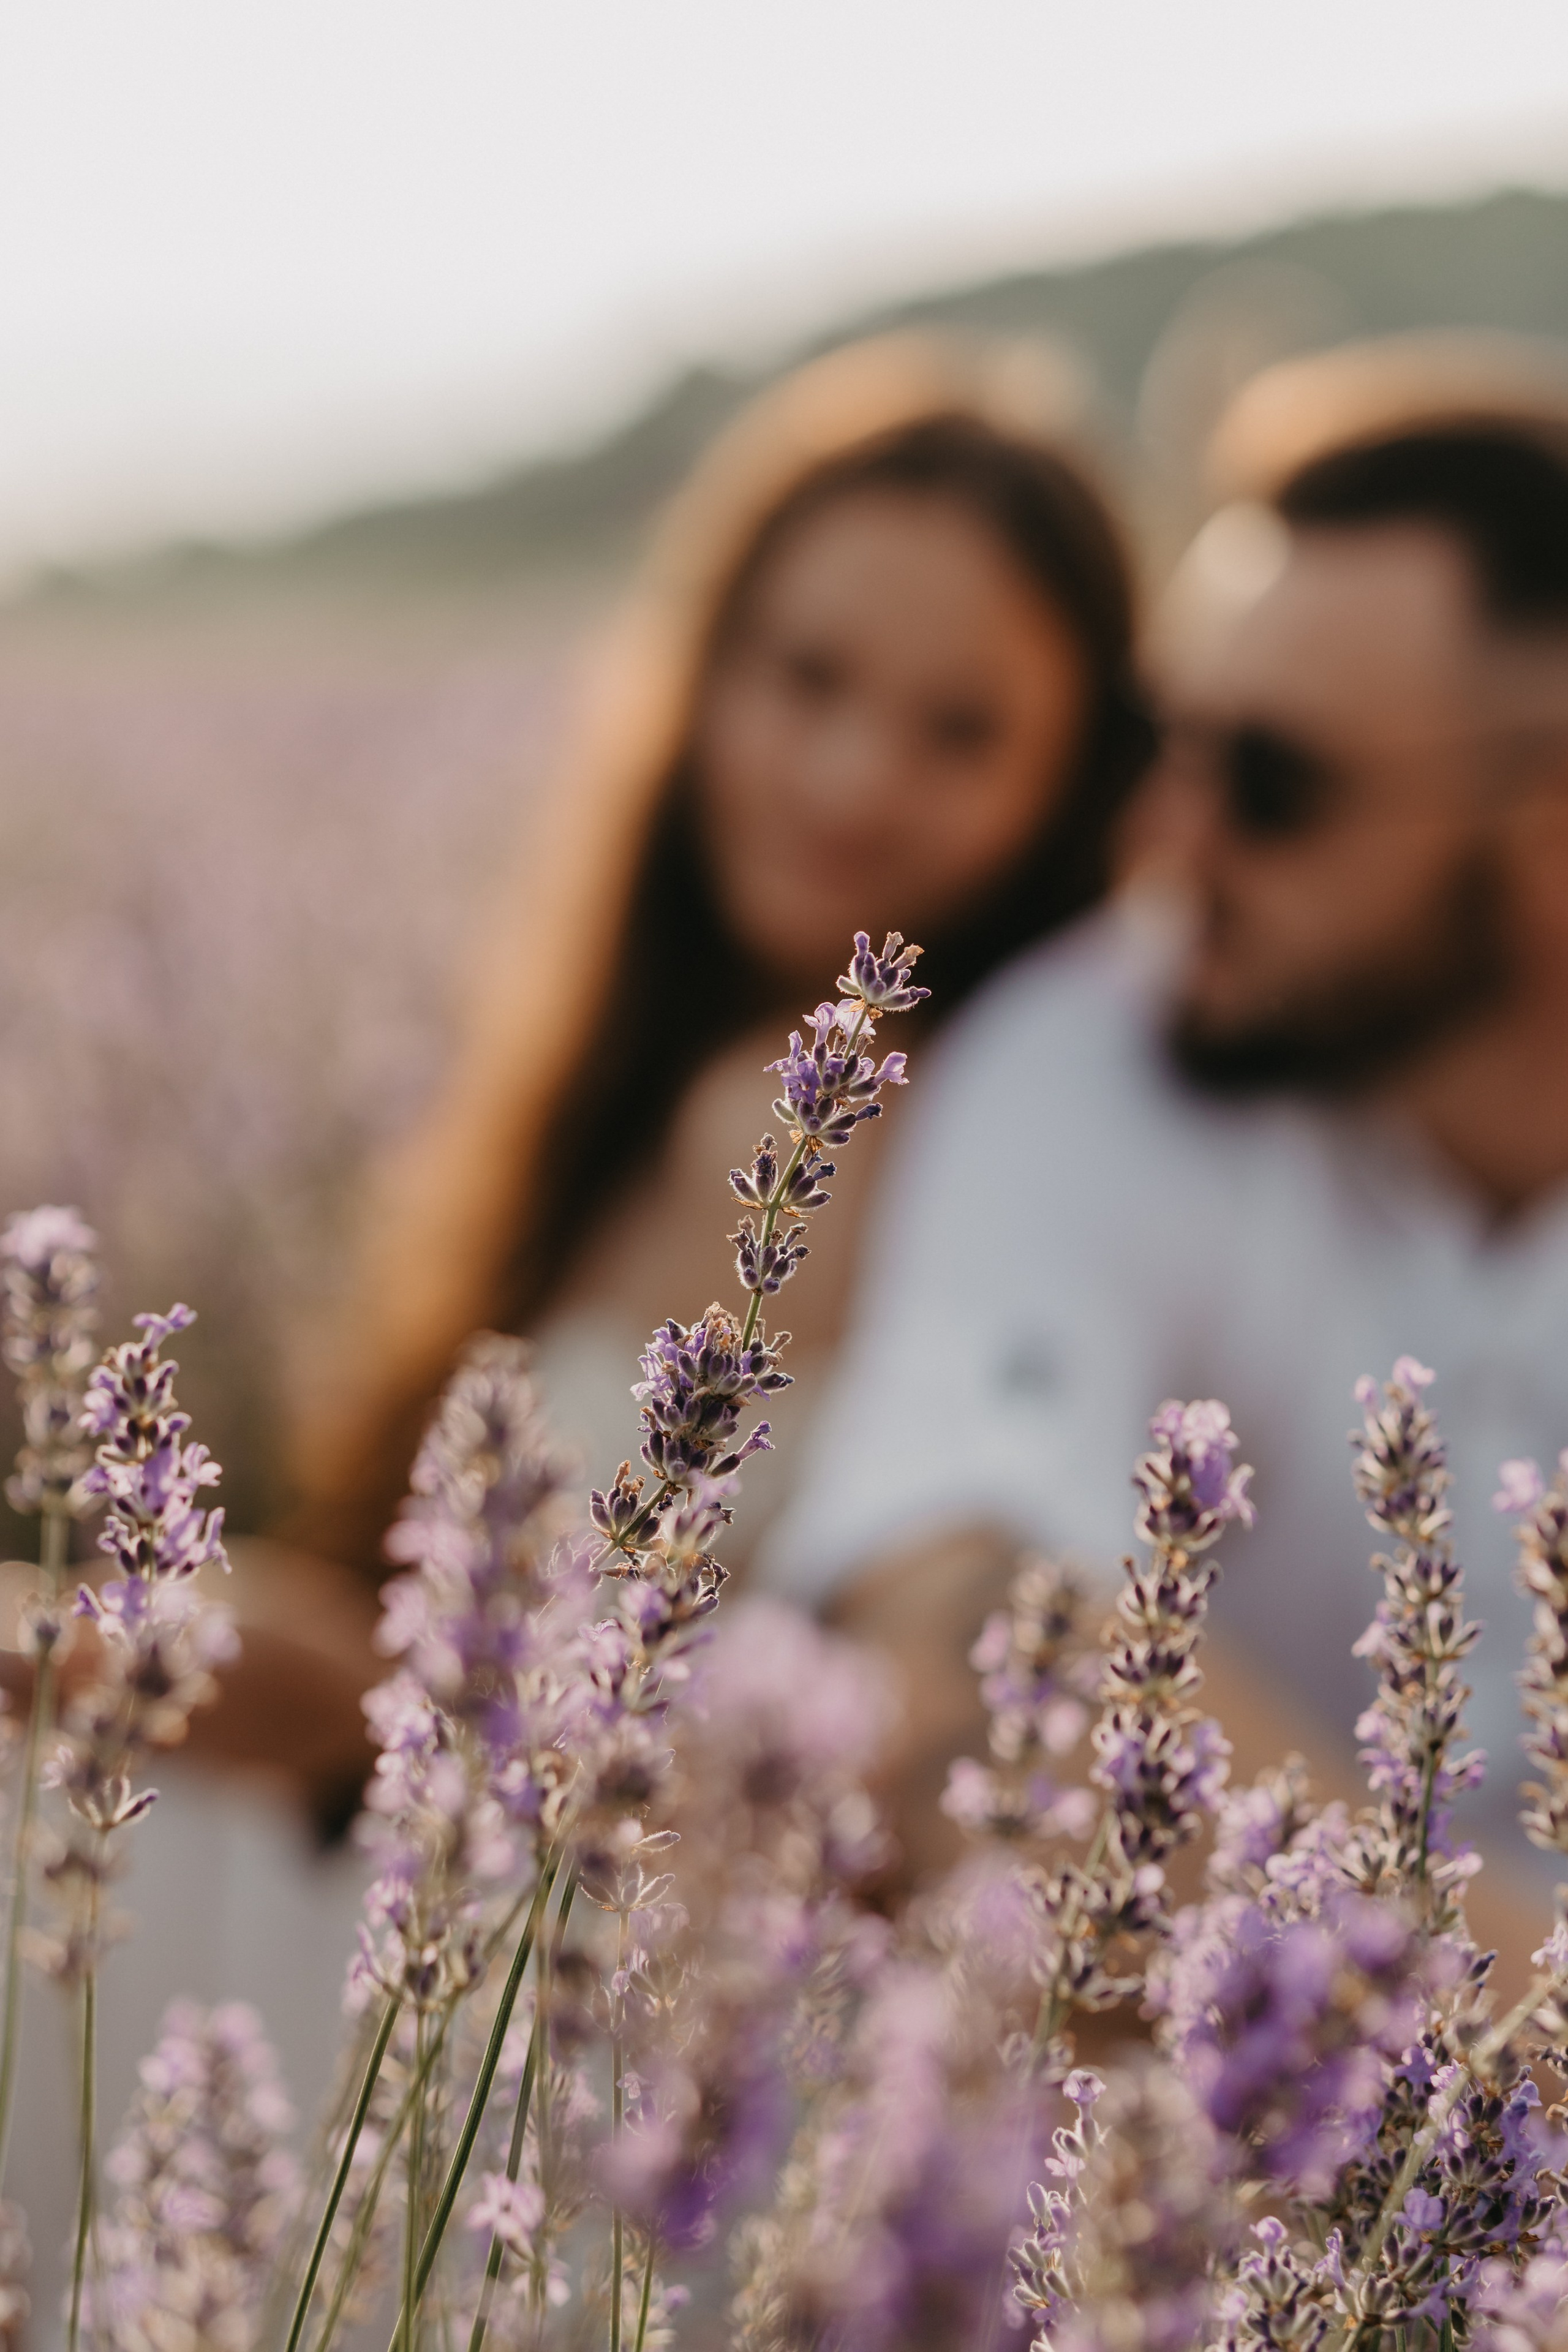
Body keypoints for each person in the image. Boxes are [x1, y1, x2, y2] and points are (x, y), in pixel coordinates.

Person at [759, 348, 1568, 1940]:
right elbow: (963, 1633)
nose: (1164, 837)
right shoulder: (1097, 1055)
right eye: (1162, 745)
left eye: (1271, 783)